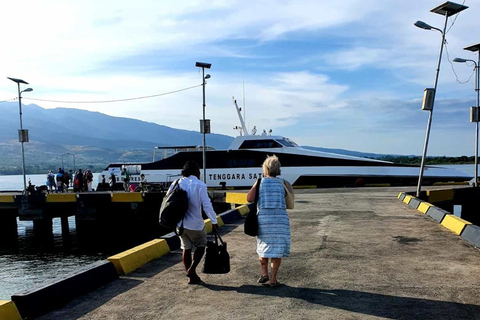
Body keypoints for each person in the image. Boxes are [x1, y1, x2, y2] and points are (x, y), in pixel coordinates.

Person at [246, 155, 293, 287]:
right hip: (280, 220)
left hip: (264, 220)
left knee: (263, 247)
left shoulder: (260, 182)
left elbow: (249, 198)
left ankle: (264, 274)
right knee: (277, 250)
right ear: (278, 168)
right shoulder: (283, 183)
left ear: (265, 168)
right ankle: (273, 280)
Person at [168, 161, 218, 284]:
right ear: (196, 171)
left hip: (180, 224)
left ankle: (192, 277)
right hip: (195, 224)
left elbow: (168, 200)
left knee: (186, 248)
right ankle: (191, 270)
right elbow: (206, 205)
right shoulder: (200, 185)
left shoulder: (176, 183)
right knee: (201, 245)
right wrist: (214, 220)